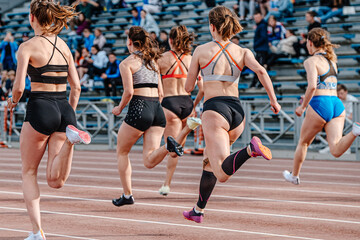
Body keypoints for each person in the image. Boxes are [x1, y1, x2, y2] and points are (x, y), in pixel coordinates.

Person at [182, 6, 281, 223]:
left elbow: (189, 87)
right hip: (237, 112)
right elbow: (262, 71)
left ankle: (249, 150)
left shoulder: (201, 50)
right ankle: (198, 210)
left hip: (215, 111)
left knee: (221, 173)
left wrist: (200, 78)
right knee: (209, 162)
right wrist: (273, 100)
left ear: (212, 26)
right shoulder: (243, 51)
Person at [6, 1, 91, 239]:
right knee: (55, 180)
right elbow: (77, 87)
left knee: (28, 172)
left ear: (32, 17)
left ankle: (37, 233)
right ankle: (70, 140)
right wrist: (69, 117)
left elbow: (19, 87)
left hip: (41, 107)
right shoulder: (64, 45)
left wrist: (12, 103)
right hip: (64, 109)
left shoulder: (27, 46)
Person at [111, 26, 189, 207]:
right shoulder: (154, 62)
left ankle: (127, 194)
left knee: (122, 151)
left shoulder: (127, 63)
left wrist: (119, 108)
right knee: (149, 160)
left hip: (140, 106)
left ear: (130, 42)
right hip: (156, 108)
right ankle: (169, 145)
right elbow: (161, 93)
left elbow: (129, 92)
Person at [283, 28, 360, 185]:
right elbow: (324, 85)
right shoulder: (333, 61)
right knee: (336, 149)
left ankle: (295, 176)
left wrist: (302, 107)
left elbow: (312, 86)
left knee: (303, 143)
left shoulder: (310, 61)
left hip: (320, 104)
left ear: (310, 43)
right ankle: (354, 132)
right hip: (336, 103)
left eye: (306, 44)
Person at [157, 25, 203, 196]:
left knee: (171, 148)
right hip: (187, 102)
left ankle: (166, 184)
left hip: (169, 103)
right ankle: (167, 183)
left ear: (170, 40)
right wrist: (194, 105)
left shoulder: (161, 58)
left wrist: (160, 101)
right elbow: (202, 88)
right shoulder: (192, 59)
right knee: (176, 150)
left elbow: (156, 85)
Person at [250, 11, 268, 88]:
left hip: (262, 50)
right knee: (258, 68)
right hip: (260, 50)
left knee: (259, 68)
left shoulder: (262, 25)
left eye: (257, 17)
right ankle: (255, 83)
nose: (256, 19)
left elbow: (263, 37)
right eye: (255, 18)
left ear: (261, 16)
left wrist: (256, 44)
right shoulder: (260, 25)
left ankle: (258, 84)